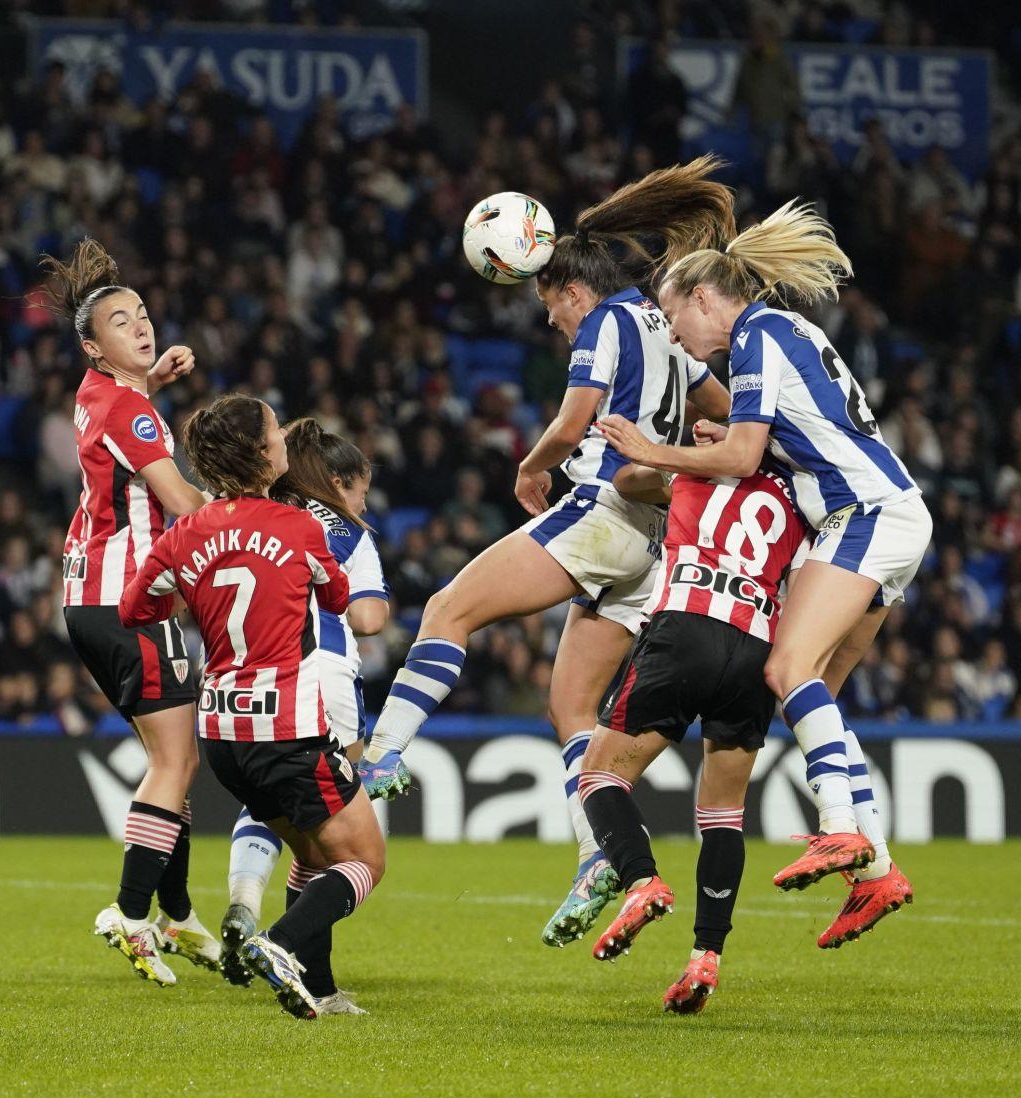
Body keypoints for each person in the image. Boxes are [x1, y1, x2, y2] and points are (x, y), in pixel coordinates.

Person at [361, 157, 737, 951]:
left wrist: (531, 467)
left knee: (446, 610)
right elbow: (727, 409)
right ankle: (595, 857)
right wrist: (706, 445)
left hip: (602, 514)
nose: (549, 320)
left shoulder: (603, 322)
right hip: (653, 541)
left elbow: (572, 423)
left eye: (547, 303)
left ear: (570, 289)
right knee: (572, 712)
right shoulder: (666, 325)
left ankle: (380, 754)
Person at [599, 200, 928, 948]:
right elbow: (788, 442)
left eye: (674, 317)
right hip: (888, 511)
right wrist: (740, 439)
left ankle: (840, 829)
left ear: (706, 298)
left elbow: (742, 460)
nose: (677, 337)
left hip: (863, 514)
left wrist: (654, 452)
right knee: (816, 694)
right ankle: (875, 869)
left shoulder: (756, 338)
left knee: (788, 666)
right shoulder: (788, 333)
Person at [120, 395, 382, 1021]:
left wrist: (191, 592)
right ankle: (280, 944)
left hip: (221, 733)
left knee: (315, 856)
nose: (284, 438)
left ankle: (318, 987)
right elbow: (341, 596)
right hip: (286, 727)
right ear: (263, 453)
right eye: (274, 430)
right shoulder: (300, 527)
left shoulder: (186, 532)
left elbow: (135, 610)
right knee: (363, 859)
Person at [41, 239, 218, 984]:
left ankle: (175, 917)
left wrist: (153, 381)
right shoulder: (129, 409)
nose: (141, 326)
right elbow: (181, 503)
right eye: (121, 321)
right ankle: (131, 913)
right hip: (130, 602)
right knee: (175, 763)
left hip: (92, 600)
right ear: (93, 345)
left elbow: (124, 425)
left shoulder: (98, 394)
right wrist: (252, 513)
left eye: (142, 313)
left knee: (168, 763)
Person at [576, 458, 806, 1009]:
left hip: (686, 622)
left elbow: (624, 481)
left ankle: (641, 881)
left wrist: (675, 451)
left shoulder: (690, 473)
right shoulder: (800, 503)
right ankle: (706, 956)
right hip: (755, 642)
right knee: (724, 813)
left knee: (599, 776)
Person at [219, 418, 388, 1012]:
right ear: (339, 482)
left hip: (242, 689)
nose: (365, 502)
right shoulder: (346, 531)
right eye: (362, 489)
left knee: (294, 828)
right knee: (351, 853)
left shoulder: (256, 509)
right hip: (323, 686)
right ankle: (288, 950)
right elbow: (366, 620)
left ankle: (255, 912)